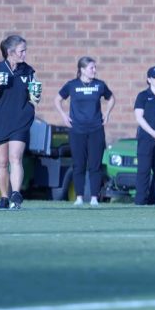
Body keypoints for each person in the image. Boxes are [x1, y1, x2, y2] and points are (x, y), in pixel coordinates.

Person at [0, 34, 40, 210]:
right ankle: (4, 198)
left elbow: (35, 98)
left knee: (16, 157)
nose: (24, 54)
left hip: (21, 120)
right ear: (10, 52)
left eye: (25, 51)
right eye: (22, 51)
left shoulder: (28, 71)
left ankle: (16, 194)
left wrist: (36, 94)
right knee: (2, 162)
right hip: (1, 120)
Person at [56, 57, 114, 206]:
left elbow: (111, 98)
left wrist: (107, 113)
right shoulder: (72, 85)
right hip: (77, 130)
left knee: (95, 165)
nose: (94, 70)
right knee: (78, 164)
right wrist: (64, 115)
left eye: (95, 68)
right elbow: (57, 99)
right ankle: (79, 197)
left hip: (96, 130)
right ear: (82, 70)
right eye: (91, 68)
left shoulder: (99, 85)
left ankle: (94, 197)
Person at [133, 65, 155, 206]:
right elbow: (139, 117)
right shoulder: (142, 96)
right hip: (147, 138)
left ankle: (154, 200)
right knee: (144, 171)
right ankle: (140, 201)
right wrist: (153, 133)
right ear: (149, 79)